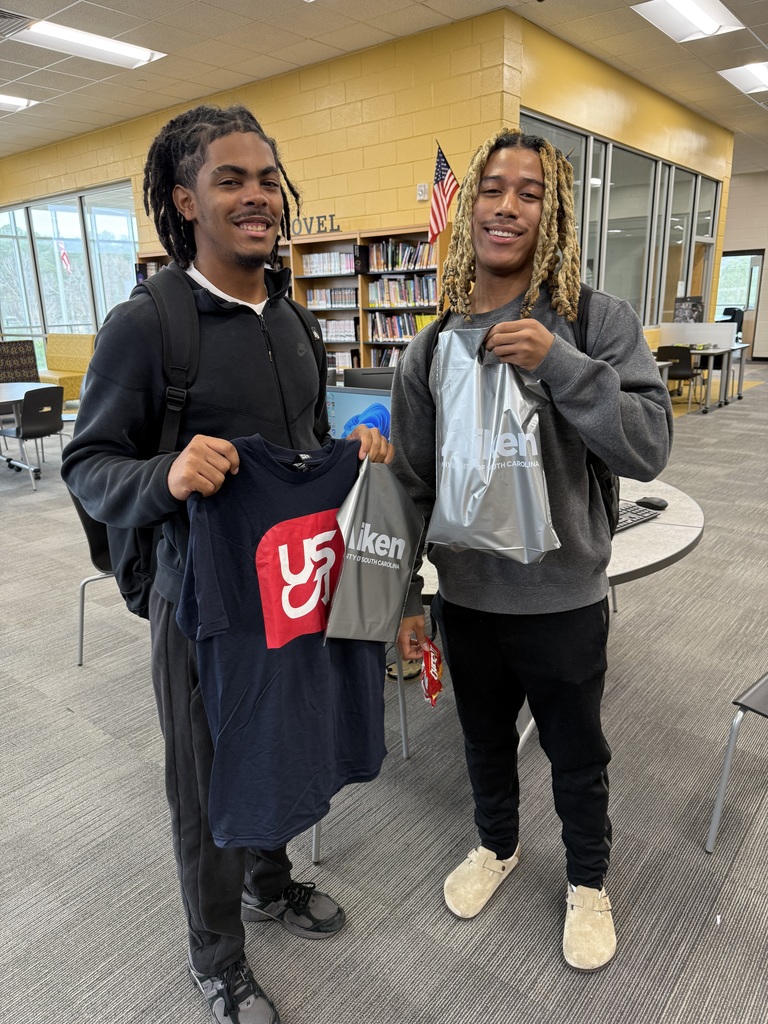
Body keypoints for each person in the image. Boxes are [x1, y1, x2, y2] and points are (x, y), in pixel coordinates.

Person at [62, 104, 392, 1024]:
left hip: (290, 584)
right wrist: (167, 473)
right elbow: (86, 464)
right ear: (185, 201)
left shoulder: (293, 319)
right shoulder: (149, 325)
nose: (258, 198)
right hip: (198, 600)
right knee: (205, 780)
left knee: (283, 739)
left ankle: (270, 879)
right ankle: (215, 958)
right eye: (230, 181)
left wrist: (352, 461)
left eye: (266, 180)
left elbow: (308, 445)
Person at [390, 128, 673, 971]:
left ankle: (588, 880)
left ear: (553, 213)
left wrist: (565, 365)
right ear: (467, 205)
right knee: (481, 742)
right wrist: (405, 597)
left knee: (577, 753)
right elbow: (410, 480)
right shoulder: (433, 341)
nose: (507, 206)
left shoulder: (594, 318)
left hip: (562, 599)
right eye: (493, 189)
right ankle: (497, 846)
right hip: (467, 598)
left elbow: (649, 445)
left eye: (530, 192)